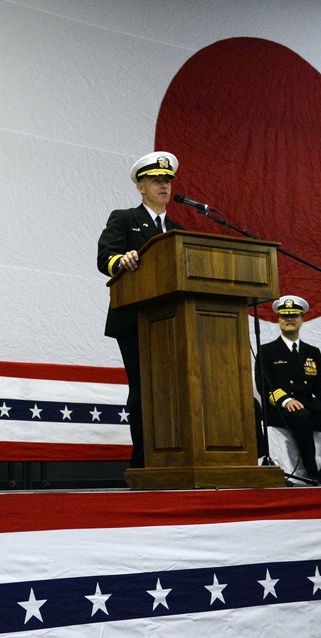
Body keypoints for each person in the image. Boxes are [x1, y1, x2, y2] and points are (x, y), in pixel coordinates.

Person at [96, 151, 184, 467]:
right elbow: (104, 256)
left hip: (175, 321)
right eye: (155, 180)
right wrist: (120, 261)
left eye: (167, 181)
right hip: (135, 317)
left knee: (176, 389)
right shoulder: (125, 219)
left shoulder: (178, 231)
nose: (163, 185)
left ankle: (174, 455)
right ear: (141, 188)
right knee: (145, 387)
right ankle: (143, 460)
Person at [256, 295, 321, 484]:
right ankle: (311, 471)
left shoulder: (312, 352)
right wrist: (286, 400)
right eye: (285, 316)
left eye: (294, 315)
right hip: (279, 409)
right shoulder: (267, 351)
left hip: (307, 406)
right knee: (302, 416)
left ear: (302, 319)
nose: (289, 319)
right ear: (278, 320)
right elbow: (264, 385)